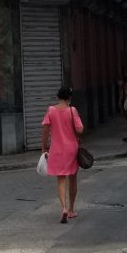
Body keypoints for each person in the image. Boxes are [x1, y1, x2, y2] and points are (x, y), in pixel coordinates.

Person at [41, 85, 84, 224]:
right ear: (69, 97)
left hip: (57, 149)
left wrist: (43, 147)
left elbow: (45, 131)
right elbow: (80, 130)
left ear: (58, 96)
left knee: (61, 178)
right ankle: (71, 209)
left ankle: (63, 208)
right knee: (72, 178)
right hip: (72, 149)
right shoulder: (72, 110)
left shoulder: (51, 110)